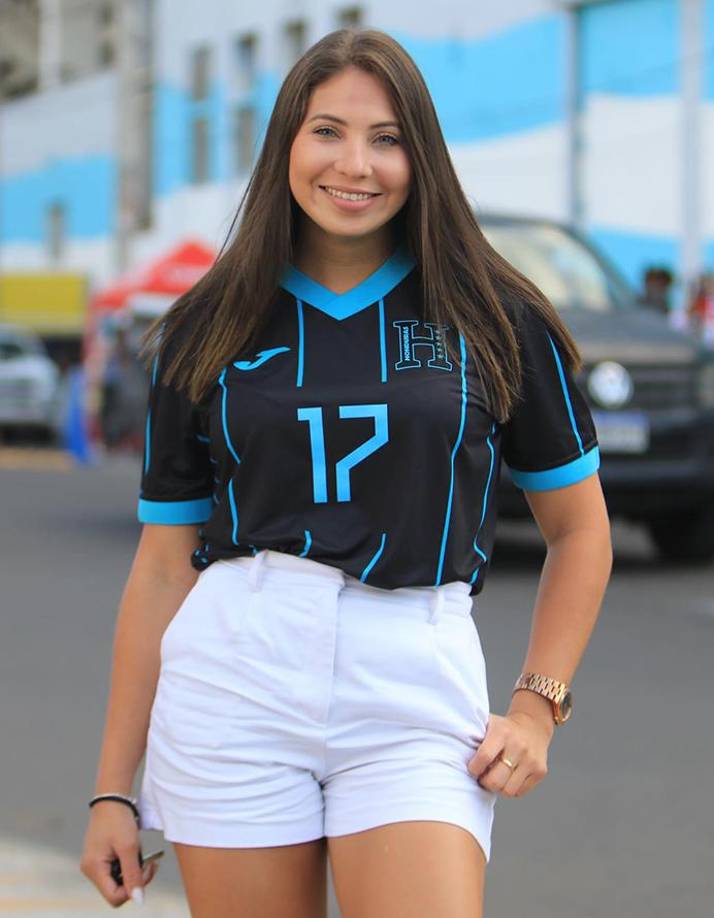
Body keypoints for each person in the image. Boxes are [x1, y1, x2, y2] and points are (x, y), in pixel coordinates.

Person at [80, 28, 612, 917]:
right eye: (327, 131)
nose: (354, 164)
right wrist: (111, 790)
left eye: (387, 138)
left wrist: (534, 706)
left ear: (423, 157)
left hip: (410, 677)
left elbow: (580, 528)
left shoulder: (493, 315)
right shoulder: (205, 327)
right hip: (234, 678)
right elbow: (165, 565)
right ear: (286, 141)